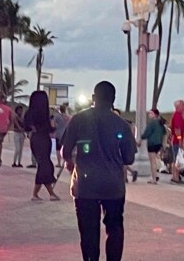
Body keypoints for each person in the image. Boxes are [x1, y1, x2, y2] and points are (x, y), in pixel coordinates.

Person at [62, 81, 136, 261]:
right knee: (115, 227)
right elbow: (129, 158)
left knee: (88, 232)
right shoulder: (122, 124)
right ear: (113, 100)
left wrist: (72, 164)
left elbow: (65, 151)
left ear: (94, 98)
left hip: (86, 186)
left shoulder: (78, 120)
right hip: (114, 186)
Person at [23, 91, 60, 201]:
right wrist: (53, 126)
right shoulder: (44, 113)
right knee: (45, 165)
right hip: (43, 139)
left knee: (43, 165)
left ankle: (38, 194)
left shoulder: (30, 113)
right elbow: (50, 129)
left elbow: (26, 127)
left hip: (37, 139)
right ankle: (49, 193)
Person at [141, 109, 165, 185]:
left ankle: (154, 178)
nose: (149, 115)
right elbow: (164, 132)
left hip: (152, 143)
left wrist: (141, 138)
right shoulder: (160, 123)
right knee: (155, 159)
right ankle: (155, 175)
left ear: (155, 114)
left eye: (151, 113)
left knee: (152, 162)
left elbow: (146, 133)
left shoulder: (152, 123)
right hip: (159, 143)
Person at [114, 109, 138, 183]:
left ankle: (124, 178)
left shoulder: (122, 124)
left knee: (123, 162)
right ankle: (131, 173)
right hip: (123, 144)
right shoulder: (121, 123)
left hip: (124, 145)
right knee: (122, 162)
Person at [170, 100, 184, 184]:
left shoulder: (179, 115)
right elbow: (177, 129)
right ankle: (175, 176)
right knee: (177, 158)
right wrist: (180, 139)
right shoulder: (177, 115)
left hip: (177, 140)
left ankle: (176, 176)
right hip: (177, 141)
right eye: (182, 105)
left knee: (177, 158)